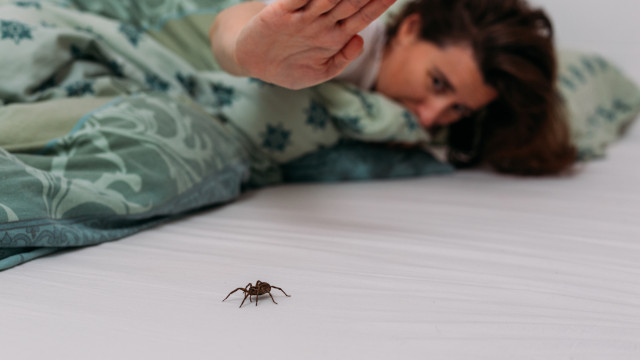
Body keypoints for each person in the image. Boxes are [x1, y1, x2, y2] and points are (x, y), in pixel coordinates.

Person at [209, 0, 577, 175]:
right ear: (410, 28)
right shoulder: (349, 38)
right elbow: (232, 22)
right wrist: (245, 54)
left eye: (458, 109)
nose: (432, 116)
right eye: (437, 82)